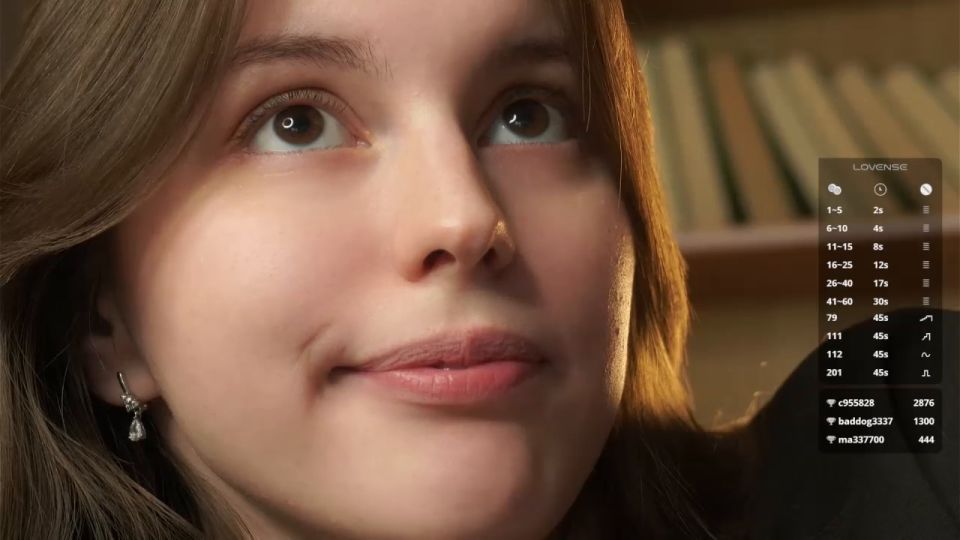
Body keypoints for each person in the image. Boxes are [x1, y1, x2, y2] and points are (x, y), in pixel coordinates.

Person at [1, 1, 954, 539]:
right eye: (296, 123)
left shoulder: (907, 440)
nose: (463, 217)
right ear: (101, 321)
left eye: (528, 114)